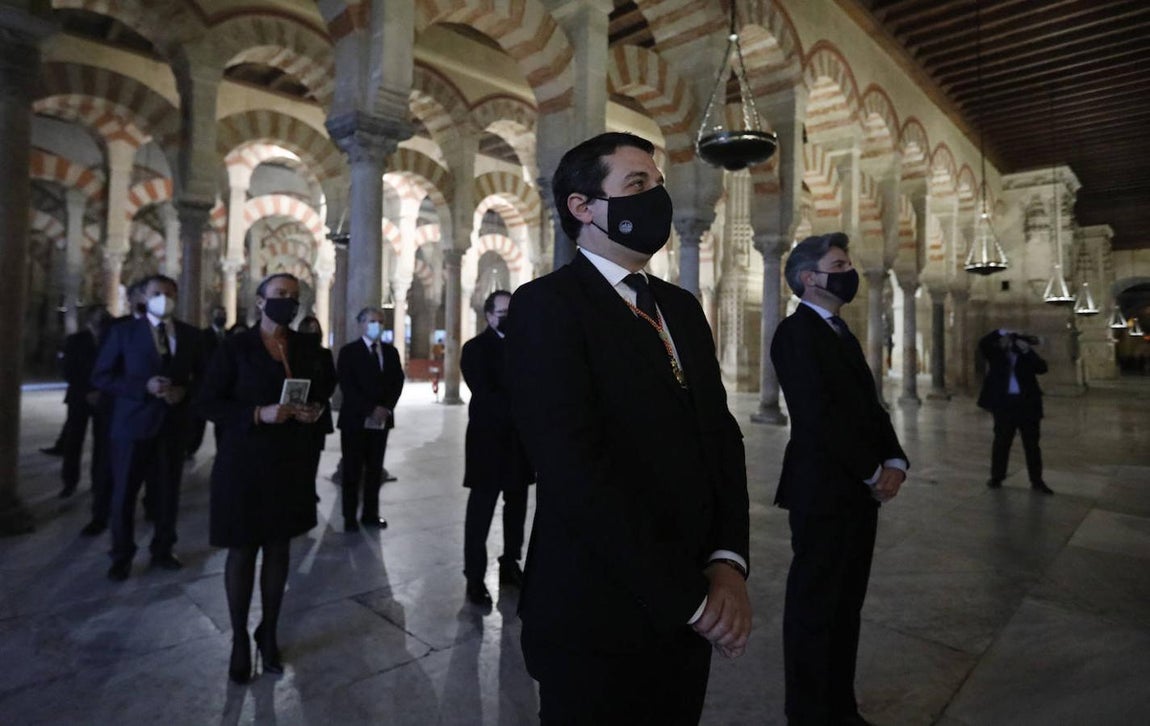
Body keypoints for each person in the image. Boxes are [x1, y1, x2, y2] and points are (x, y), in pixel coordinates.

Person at [505, 132, 751, 723]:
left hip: (691, 602)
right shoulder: (547, 306)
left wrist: (727, 562)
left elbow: (720, 436)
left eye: (657, 186)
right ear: (583, 207)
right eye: (636, 186)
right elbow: (574, 472)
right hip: (597, 612)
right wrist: (690, 600)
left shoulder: (682, 308)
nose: (656, 199)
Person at [771, 232, 908, 726]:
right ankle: (808, 713)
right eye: (839, 264)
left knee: (846, 605)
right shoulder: (795, 333)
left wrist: (894, 459)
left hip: (856, 491)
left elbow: (868, 407)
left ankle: (840, 708)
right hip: (823, 491)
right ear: (809, 277)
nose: (848, 272)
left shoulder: (839, 331)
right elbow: (816, 417)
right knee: (815, 607)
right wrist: (871, 470)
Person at [196, 273, 335, 684]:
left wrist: (314, 411)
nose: (287, 303)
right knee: (242, 553)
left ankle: (268, 632)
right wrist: (258, 413)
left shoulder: (306, 347)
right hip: (243, 464)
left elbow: (322, 389)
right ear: (259, 302)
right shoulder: (235, 347)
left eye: (293, 297)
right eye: (278, 296)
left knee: (278, 550)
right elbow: (207, 402)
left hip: (289, 463)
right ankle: (239, 638)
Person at [91, 274, 204, 581]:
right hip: (132, 426)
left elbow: (206, 379)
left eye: (169, 293)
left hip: (172, 426)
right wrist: (144, 386)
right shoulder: (124, 332)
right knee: (124, 493)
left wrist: (184, 392)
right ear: (143, 296)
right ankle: (121, 555)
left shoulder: (191, 335)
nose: (163, 298)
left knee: (168, 493)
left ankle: (163, 549)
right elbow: (102, 376)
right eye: (157, 293)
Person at [460, 290, 533, 607]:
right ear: (489, 315)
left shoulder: (526, 347)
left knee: (516, 507)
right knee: (481, 511)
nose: (508, 316)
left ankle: (510, 563)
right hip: (488, 442)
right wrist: (524, 408)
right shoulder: (474, 349)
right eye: (503, 311)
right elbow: (485, 393)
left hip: (519, 444)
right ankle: (475, 577)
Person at [336, 307, 404, 532]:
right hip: (356, 420)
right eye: (372, 321)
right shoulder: (349, 352)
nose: (377, 325)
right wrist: (370, 409)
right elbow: (348, 386)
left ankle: (370, 514)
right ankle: (349, 516)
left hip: (381, 420)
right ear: (361, 324)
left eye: (380, 321)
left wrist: (386, 408)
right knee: (352, 469)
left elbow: (397, 382)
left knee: (375, 470)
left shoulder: (391, 352)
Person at [977, 328, 1052, 494]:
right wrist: (1000, 332)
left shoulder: (1026, 354)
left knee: (1032, 445)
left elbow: (1042, 368)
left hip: (1027, 405)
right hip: (1005, 405)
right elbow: (983, 343)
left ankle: (1037, 481)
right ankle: (997, 476)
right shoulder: (996, 355)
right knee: (1001, 443)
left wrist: (1026, 350)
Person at [57, 305, 112, 501]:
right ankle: (69, 482)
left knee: (102, 443)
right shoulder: (75, 340)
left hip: (104, 398)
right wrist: (88, 391)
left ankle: (98, 483)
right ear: (89, 319)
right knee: (73, 441)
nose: (103, 319)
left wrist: (101, 391)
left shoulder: (112, 338)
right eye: (99, 316)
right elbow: (69, 371)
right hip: (79, 398)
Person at [297, 315, 335, 491]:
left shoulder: (325, 354)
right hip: (297, 411)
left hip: (319, 410)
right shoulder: (293, 354)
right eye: (309, 330)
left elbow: (331, 380)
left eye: (315, 329)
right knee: (298, 454)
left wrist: (320, 402)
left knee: (314, 453)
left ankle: (310, 488)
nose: (313, 333)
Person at [185, 305, 229, 459]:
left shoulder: (229, 336)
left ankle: (222, 449)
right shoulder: (202, 336)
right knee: (197, 421)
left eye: (224, 314)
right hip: (204, 383)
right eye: (218, 314)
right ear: (211, 316)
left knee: (222, 421)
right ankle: (190, 449)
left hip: (225, 387)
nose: (222, 317)